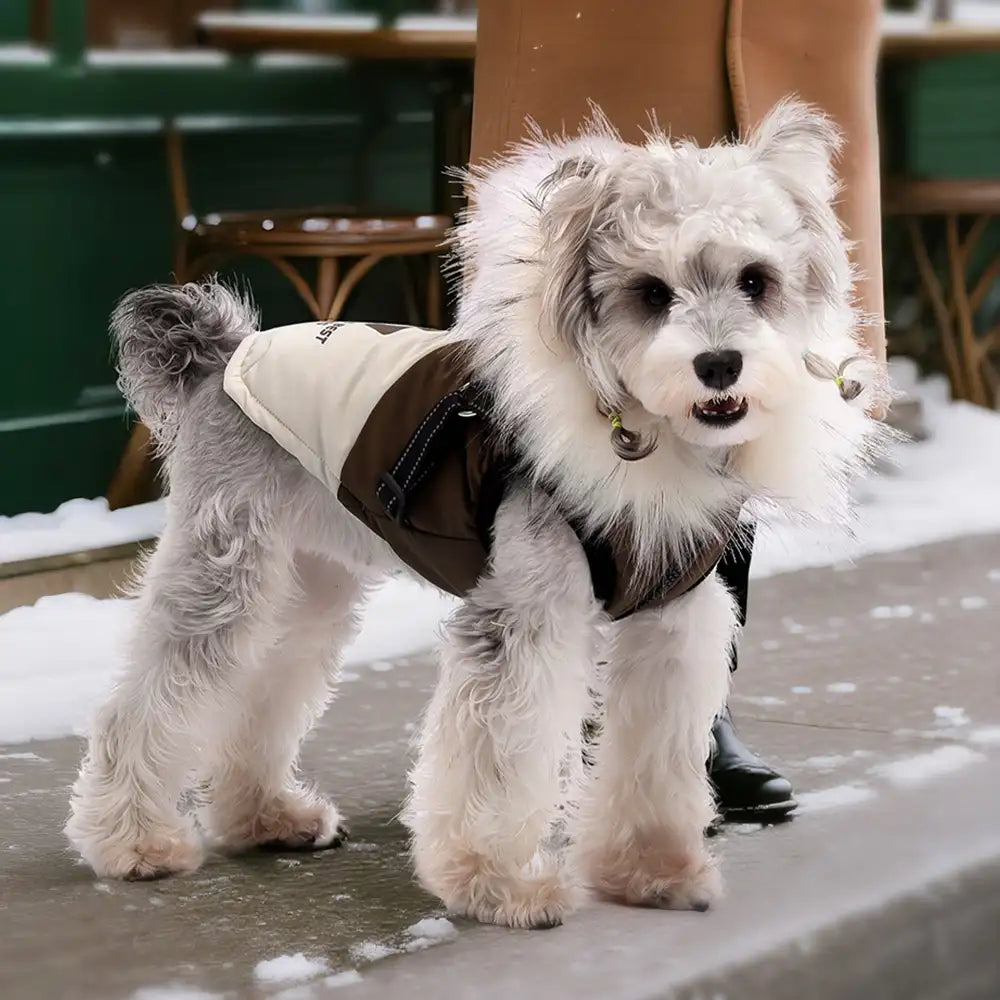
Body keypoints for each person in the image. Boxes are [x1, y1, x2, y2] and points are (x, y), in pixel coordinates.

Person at [469, 0, 887, 820]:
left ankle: (691, 704)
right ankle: (549, 689)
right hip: (609, 35)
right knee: (574, 363)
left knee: (756, 373)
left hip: (795, 31)